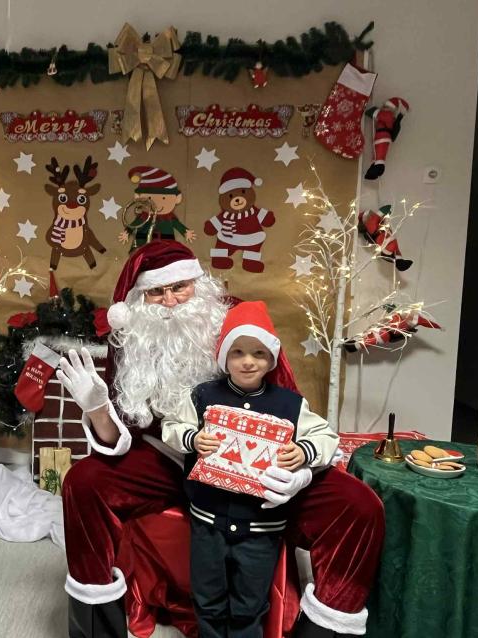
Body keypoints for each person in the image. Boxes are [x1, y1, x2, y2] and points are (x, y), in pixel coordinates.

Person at [56, 240, 384, 638]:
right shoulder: (132, 335)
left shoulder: (240, 326)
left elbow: (289, 408)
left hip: (253, 467)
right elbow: (121, 433)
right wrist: (97, 408)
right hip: (167, 457)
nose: (170, 301)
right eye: (156, 292)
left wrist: (300, 472)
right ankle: (96, 631)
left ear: (199, 284)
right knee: (84, 482)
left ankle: (323, 633)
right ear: (139, 300)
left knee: (359, 506)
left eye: (180, 287)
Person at [161, 301, 339, 638]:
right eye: (238, 352)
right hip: (207, 521)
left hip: (261, 527)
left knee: (250, 604)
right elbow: (171, 426)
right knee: (207, 599)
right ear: (224, 357)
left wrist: (303, 451)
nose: (248, 361)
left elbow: (327, 436)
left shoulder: (290, 403)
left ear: (271, 359)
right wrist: (193, 438)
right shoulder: (202, 395)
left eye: (258, 353)